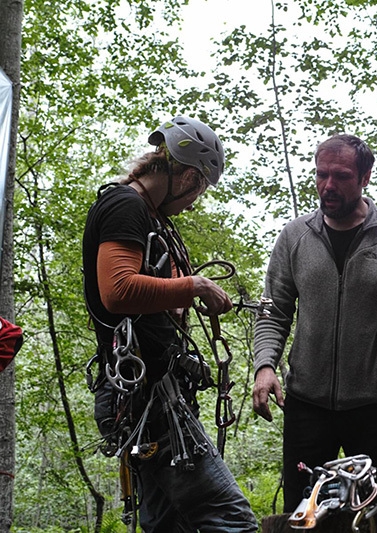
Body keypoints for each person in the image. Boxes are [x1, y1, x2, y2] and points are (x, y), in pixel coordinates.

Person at [82, 116, 258, 531]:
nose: (194, 203)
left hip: (146, 394)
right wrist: (194, 286)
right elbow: (118, 290)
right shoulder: (126, 205)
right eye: (199, 191)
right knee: (232, 520)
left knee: (168, 525)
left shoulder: (147, 214)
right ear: (190, 177)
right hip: (149, 397)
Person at [252, 133, 377, 513]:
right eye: (321, 175)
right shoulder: (295, 236)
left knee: (374, 516)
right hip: (306, 406)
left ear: (365, 177)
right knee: (303, 515)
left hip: (376, 407)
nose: (328, 186)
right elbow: (273, 311)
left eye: (341, 176)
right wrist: (265, 365)